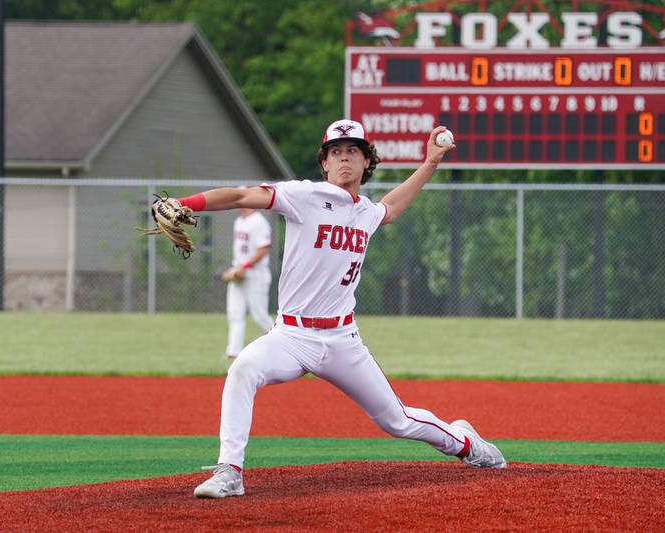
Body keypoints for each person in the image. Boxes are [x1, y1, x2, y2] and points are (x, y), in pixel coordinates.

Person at [177, 119, 506, 499]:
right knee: (243, 369)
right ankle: (229, 471)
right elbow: (239, 197)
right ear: (324, 164)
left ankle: (468, 445)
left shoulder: (366, 212)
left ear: (367, 162)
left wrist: (430, 162)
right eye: (336, 152)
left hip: (341, 340)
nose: (344, 158)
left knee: (397, 420)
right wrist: (185, 204)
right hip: (291, 335)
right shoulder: (304, 196)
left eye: (353, 151)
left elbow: (393, 207)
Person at [223, 207, 275, 360]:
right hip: (238, 272)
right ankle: (233, 352)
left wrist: (245, 266)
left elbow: (263, 249)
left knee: (259, 315)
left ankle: (282, 346)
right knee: (235, 313)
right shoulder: (238, 221)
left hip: (255, 274)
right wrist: (237, 268)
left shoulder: (259, 222)